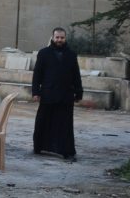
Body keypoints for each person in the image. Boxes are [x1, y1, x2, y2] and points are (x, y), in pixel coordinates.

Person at [31, 26, 83, 162]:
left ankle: (67, 151)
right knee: (43, 121)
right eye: (57, 37)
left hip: (66, 96)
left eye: (62, 37)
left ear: (65, 38)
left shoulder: (71, 55)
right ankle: (39, 147)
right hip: (48, 94)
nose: (59, 40)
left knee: (65, 125)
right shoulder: (43, 53)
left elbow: (76, 75)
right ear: (53, 38)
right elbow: (37, 74)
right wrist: (35, 91)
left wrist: (79, 92)